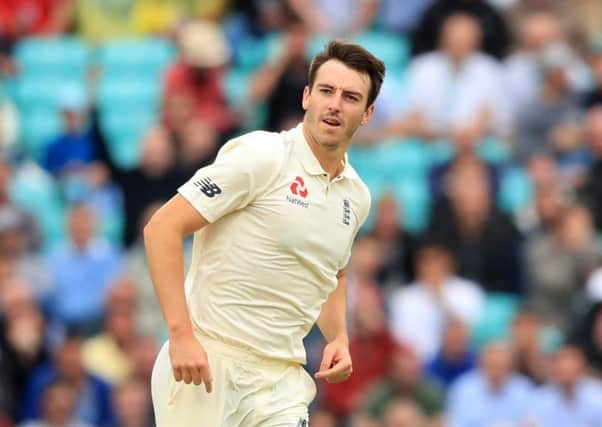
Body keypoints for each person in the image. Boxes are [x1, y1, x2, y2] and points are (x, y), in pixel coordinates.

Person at [144, 40, 385, 426]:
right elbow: (162, 228)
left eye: (351, 97)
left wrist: (339, 337)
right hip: (207, 364)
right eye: (326, 91)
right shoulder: (262, 156)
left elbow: (331, 272)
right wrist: (181, 336)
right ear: (307, 97)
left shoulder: (356, 197)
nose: (335, 105)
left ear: (368, 113)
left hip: (281, 382)